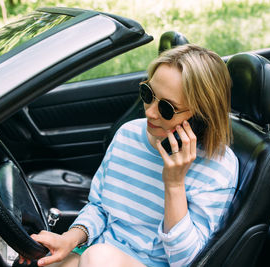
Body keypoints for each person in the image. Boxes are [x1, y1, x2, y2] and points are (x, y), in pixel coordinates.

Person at [19, 44, 238, 267]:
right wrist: (68, 239)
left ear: (200, 117)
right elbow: (100, 207)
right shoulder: (129, 134)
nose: (149, 112)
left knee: (100, 257)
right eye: (148, 94)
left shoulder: (218, 168)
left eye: (166, 108)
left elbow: (188, 261)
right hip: (95, 255)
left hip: (120, 261)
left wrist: (174, 184)